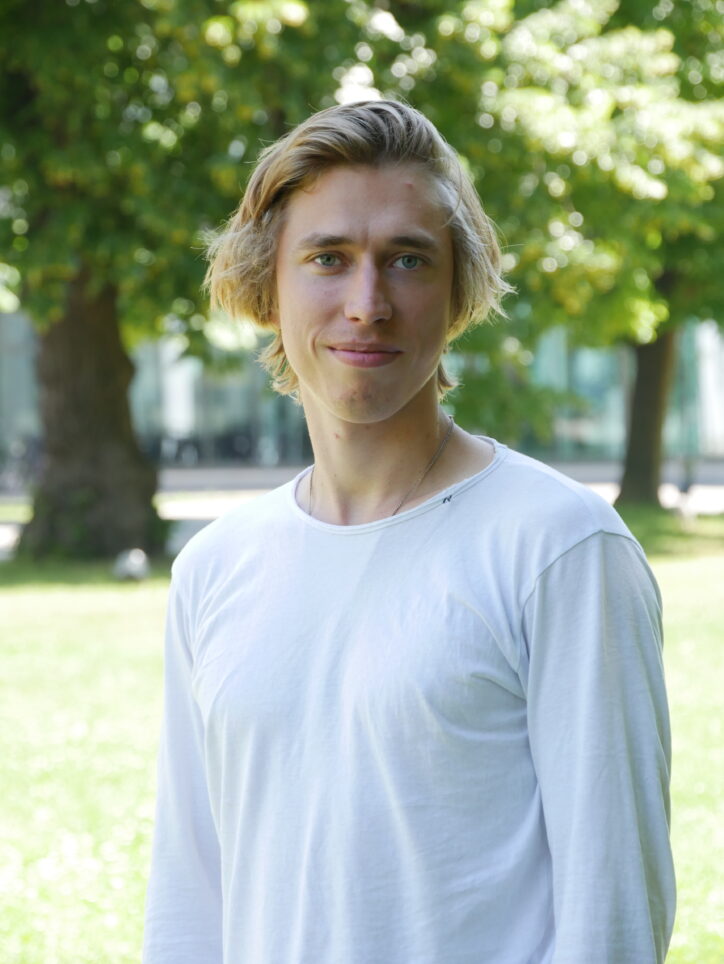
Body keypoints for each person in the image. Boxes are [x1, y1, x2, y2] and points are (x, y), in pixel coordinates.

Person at [142, 100, 675, 963]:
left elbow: (612, 919)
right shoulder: (215, 567)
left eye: (407, 260)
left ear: (458, 289)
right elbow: (189, 899)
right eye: (328, 258)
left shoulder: (561, 548)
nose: (368, 304)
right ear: (267, 285)